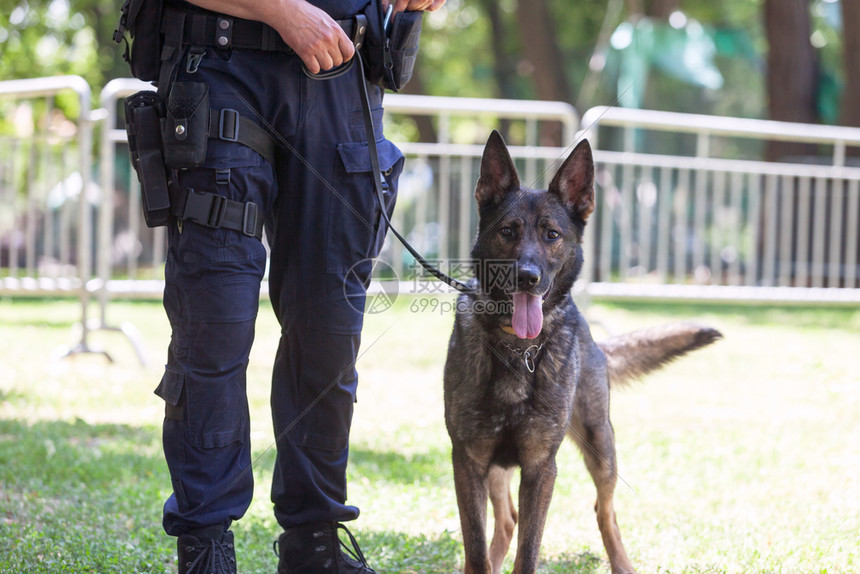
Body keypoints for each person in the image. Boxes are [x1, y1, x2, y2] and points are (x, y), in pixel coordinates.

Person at [149, 0, 444, 572]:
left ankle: (315, 544)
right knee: (216, 327)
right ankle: (206, 548)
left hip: (342, 77)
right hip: (222, 65)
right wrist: (282, 11)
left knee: (328, 334)